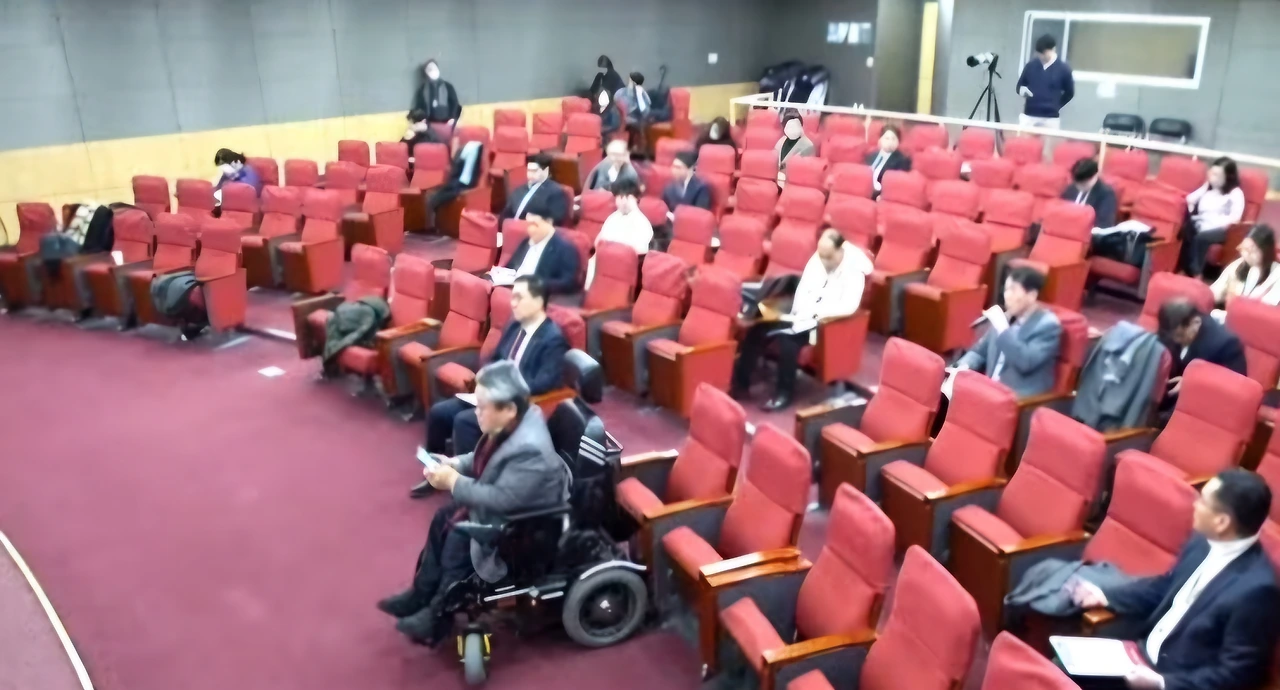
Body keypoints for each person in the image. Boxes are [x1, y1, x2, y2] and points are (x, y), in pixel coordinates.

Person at [380, 360, 571, 645]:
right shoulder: (514, 422)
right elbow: (486, 459)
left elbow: (500, 499)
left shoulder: (529, 449)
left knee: (458, 539)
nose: (475, 411)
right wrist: (455, 463)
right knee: (442, 518)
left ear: (509, 409)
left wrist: (453, 482)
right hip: (511, 506)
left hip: (525, 526)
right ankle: (421, 594)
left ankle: (438, 616)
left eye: (482, 406)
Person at [1066, 469, 1280, 690]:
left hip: (1174, 681)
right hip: (1139, 658)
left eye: (1203, 501)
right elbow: (1165, 587)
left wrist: (1162, 683)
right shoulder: (1202, 542)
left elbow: (1237, 673)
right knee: (1060, 670)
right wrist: (1105, 595)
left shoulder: (1256, 591)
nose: (1195, 505)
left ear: (1222, 522)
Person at [413, 276, 569, 498]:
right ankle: (436, 471)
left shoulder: (553, 339)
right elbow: (495, 358)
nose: (513, 303)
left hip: (514, 404)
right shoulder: (514, 325)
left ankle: (469, 486)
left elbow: (545, 382)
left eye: (519, 298)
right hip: (490, 395)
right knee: (438, 412)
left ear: (538, 301)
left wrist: (503, 391)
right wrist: (485, 377)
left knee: (464, 421)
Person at [731, 229, 872, 410]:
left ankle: (783, 394)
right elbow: (804, 290)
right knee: (757, 329)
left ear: (840, 251)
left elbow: (848, 307)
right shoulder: (819, 259)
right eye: (822, 256)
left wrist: (815, 315)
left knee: (788, 341)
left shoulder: (854, 273)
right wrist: (797, 313)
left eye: (828, 257)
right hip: (801, 316)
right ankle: (741, 385)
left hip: (824, 325)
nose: (824, 261)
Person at [956, 265, 1062, 398]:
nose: (1007, 296)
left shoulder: (1048, 326)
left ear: (1032, 295)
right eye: (1006, 290)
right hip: (990, 389)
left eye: (1013, 290)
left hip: (1019, 396)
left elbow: (1025, 361)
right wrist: (960, 368)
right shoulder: (1006, 317)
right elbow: (979, 352)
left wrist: (1003, 329)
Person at [1156, 298, 1248, 409]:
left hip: (1202, 403)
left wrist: (1192, 381)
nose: (1176, 341)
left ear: (1196, 323)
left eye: (1180, 336)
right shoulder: (1170, 329)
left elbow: (1236, 385)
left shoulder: (1226, 343)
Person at [1184, 157, 1247, 277]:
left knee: (1201, 237)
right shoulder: (1208, 187)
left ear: (1228, 177)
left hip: (1223, 229)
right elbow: (1190, 199)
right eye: (1212, 173)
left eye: (1217, 175)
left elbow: (1236, 218)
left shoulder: (1235, 193)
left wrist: (1213, 223)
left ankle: (1196, 273)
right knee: (1185, 228)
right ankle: (1183, 268)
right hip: (1203, 223)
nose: (1212, 177)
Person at [585, 179, 652, 287]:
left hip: (619, 270)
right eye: (619, 197)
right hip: (600, 263)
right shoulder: (612, 218)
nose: (623, 202)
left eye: (628, 197)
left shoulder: (642, 223)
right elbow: (598, 242)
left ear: (636, 198)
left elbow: (640, 252)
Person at [1210, 224, 1280, 322]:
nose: (1246, 254)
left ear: (1266, 252)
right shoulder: (1239, 264)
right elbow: (1216, 291)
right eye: (1244, 249)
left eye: (1252, 251)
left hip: (1253, 324)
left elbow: (1265, 312)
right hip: (1228, 319)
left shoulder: (1277, 275)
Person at [504, 212, 581, 295]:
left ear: (549, 222)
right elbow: (511, 267)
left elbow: (568, 282)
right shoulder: (525, 241)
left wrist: (537, 284)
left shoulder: (565, 248)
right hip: (510, 286)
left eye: (535, 225)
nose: (530, 229)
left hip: (535, 293)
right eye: (528, 225)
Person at [1016, 34, 1074, 130]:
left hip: (1050, 118)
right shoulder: (1031, 66)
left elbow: (1070, 93)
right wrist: (1022, 91)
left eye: (1044, 53)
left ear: (1053, 49)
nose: (1041, 56)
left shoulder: (1063, 69)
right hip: (1029, 115)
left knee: (1049, 140)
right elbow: (1019, 86)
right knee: (1024, 139)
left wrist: (1056, 105)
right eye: (1039, 54)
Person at [500, 154, 568, 226]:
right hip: (510, 228)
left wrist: (538, 219)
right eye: (529, 171)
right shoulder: (519, 190)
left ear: (546, 170)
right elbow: (506, 213)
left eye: (534, 171)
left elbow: (556, 219)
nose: (530, 175)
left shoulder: (555, 191)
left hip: (533, 229)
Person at [1062, 158, 1117, 229]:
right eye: (1078, 183)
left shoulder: (1106, 194)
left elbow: (1104, 224)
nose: (1079, 187)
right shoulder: (1072, 187)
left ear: (1096, 175)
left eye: (1084, 184)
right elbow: (1061, 208)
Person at [661, 151, 713, 219]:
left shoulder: (701, 188)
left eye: (678, 167)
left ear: (690, 169)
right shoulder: (670, 186)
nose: (673, 170)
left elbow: (700, 215)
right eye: (673, 166)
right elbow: (663, 207)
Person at [411, 59, 461, 126]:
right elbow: (419, 106)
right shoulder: (422, 89)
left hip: (447, 123)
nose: (433, 71)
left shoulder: (448, 86)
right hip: (429, 124)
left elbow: (454, 103)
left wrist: (452, 118)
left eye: (434, 68)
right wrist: (422, 119)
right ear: (426, 72)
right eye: (430, 69)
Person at [864, 125, 911, 193]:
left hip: (881, 193)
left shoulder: (903, 160)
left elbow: (896, 185)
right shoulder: (871, 155)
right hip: (864, 188)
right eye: (887, 138)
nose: (890, 142)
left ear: (898, 142)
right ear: (880, 140)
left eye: (893, 139)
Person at [775, 110, 816, 182]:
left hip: (793, 181)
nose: (792, 129)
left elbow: (804, 170)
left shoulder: (808, 145)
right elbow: (774, 158)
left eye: (794, 126)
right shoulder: (781, 140)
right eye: (789, 126)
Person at [614, 71, 651, 148]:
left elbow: (645, 112)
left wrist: (639, 97)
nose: (629, 83)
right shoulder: (621, 93)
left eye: (630, 81)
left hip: (636, 124)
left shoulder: (643, 95)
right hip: (619, 123)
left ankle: (632, 147)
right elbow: (616, 109)